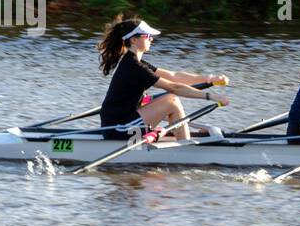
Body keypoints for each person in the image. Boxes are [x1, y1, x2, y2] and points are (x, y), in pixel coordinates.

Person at [97, 16, 228, 141]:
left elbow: (174, 76)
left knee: (169, 102)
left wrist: (209, 79)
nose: (151, 39)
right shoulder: (134, 67)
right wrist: (211, 96)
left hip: (121, 122)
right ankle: (184, 148)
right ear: (133, 40)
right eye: (148, 36)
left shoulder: (136, 62)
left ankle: (181, 137)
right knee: (172, 101)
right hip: (118, 129)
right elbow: (174, 87)